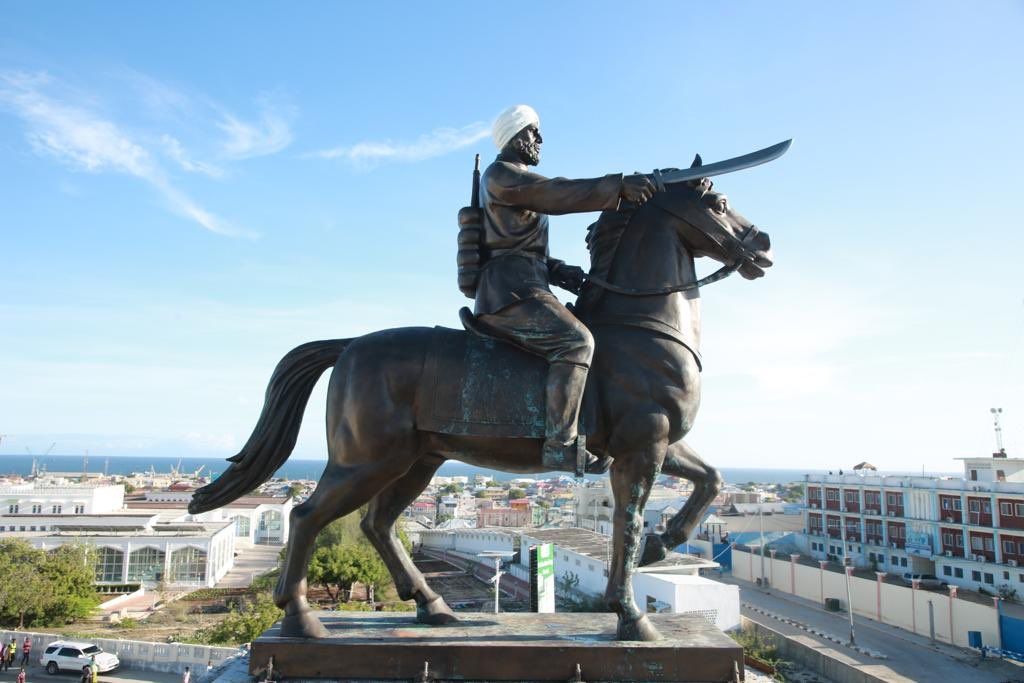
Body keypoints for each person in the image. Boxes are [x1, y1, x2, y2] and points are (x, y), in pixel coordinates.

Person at [475, 104, 655, 473]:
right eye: (532, 131)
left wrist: (558, 270)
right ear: (513, 137)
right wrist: (618, 187)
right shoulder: (501, 176)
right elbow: (557, 192)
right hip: (510, 294)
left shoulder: (515, 180)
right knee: (577, 342)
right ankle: (560, 444)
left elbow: (516, 246)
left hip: (528, 284)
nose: (539, 139)